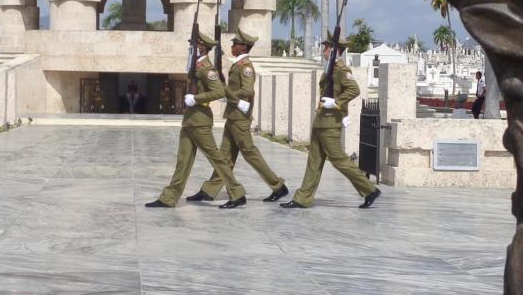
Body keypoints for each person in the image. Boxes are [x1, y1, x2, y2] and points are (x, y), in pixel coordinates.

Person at [146, 32, 247, 209]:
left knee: (216, 158)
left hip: (200, 121)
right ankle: (169, 197)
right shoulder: (196, 66)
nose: (191, 48)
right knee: (183, 160)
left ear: (202, 47)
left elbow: (219, 91)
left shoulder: (207, 69)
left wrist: (196, 98)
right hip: (190, 120)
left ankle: (237, 193)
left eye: (194, 45)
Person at [281, 33, 381, 210]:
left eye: (326, 47)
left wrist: (336, 102)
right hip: (321, 121)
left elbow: (354, 90)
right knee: (313, 161)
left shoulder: (342, 70)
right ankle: (302, 198)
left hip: (331, 124)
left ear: (334, 50)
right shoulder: (330, 68)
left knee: (338, 160)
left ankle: (369, 190)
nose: (323, 50)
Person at [188, 27, 288, 203]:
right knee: (224, 156)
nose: (233, 46)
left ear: (243, 47)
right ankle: (209, 190)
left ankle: (278, 186)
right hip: (234, 116)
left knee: (250, 153)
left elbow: (248, 90)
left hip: (240, 117)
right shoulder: (237, 64)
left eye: (235, 44)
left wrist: (226, 92)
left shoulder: (245, 67)